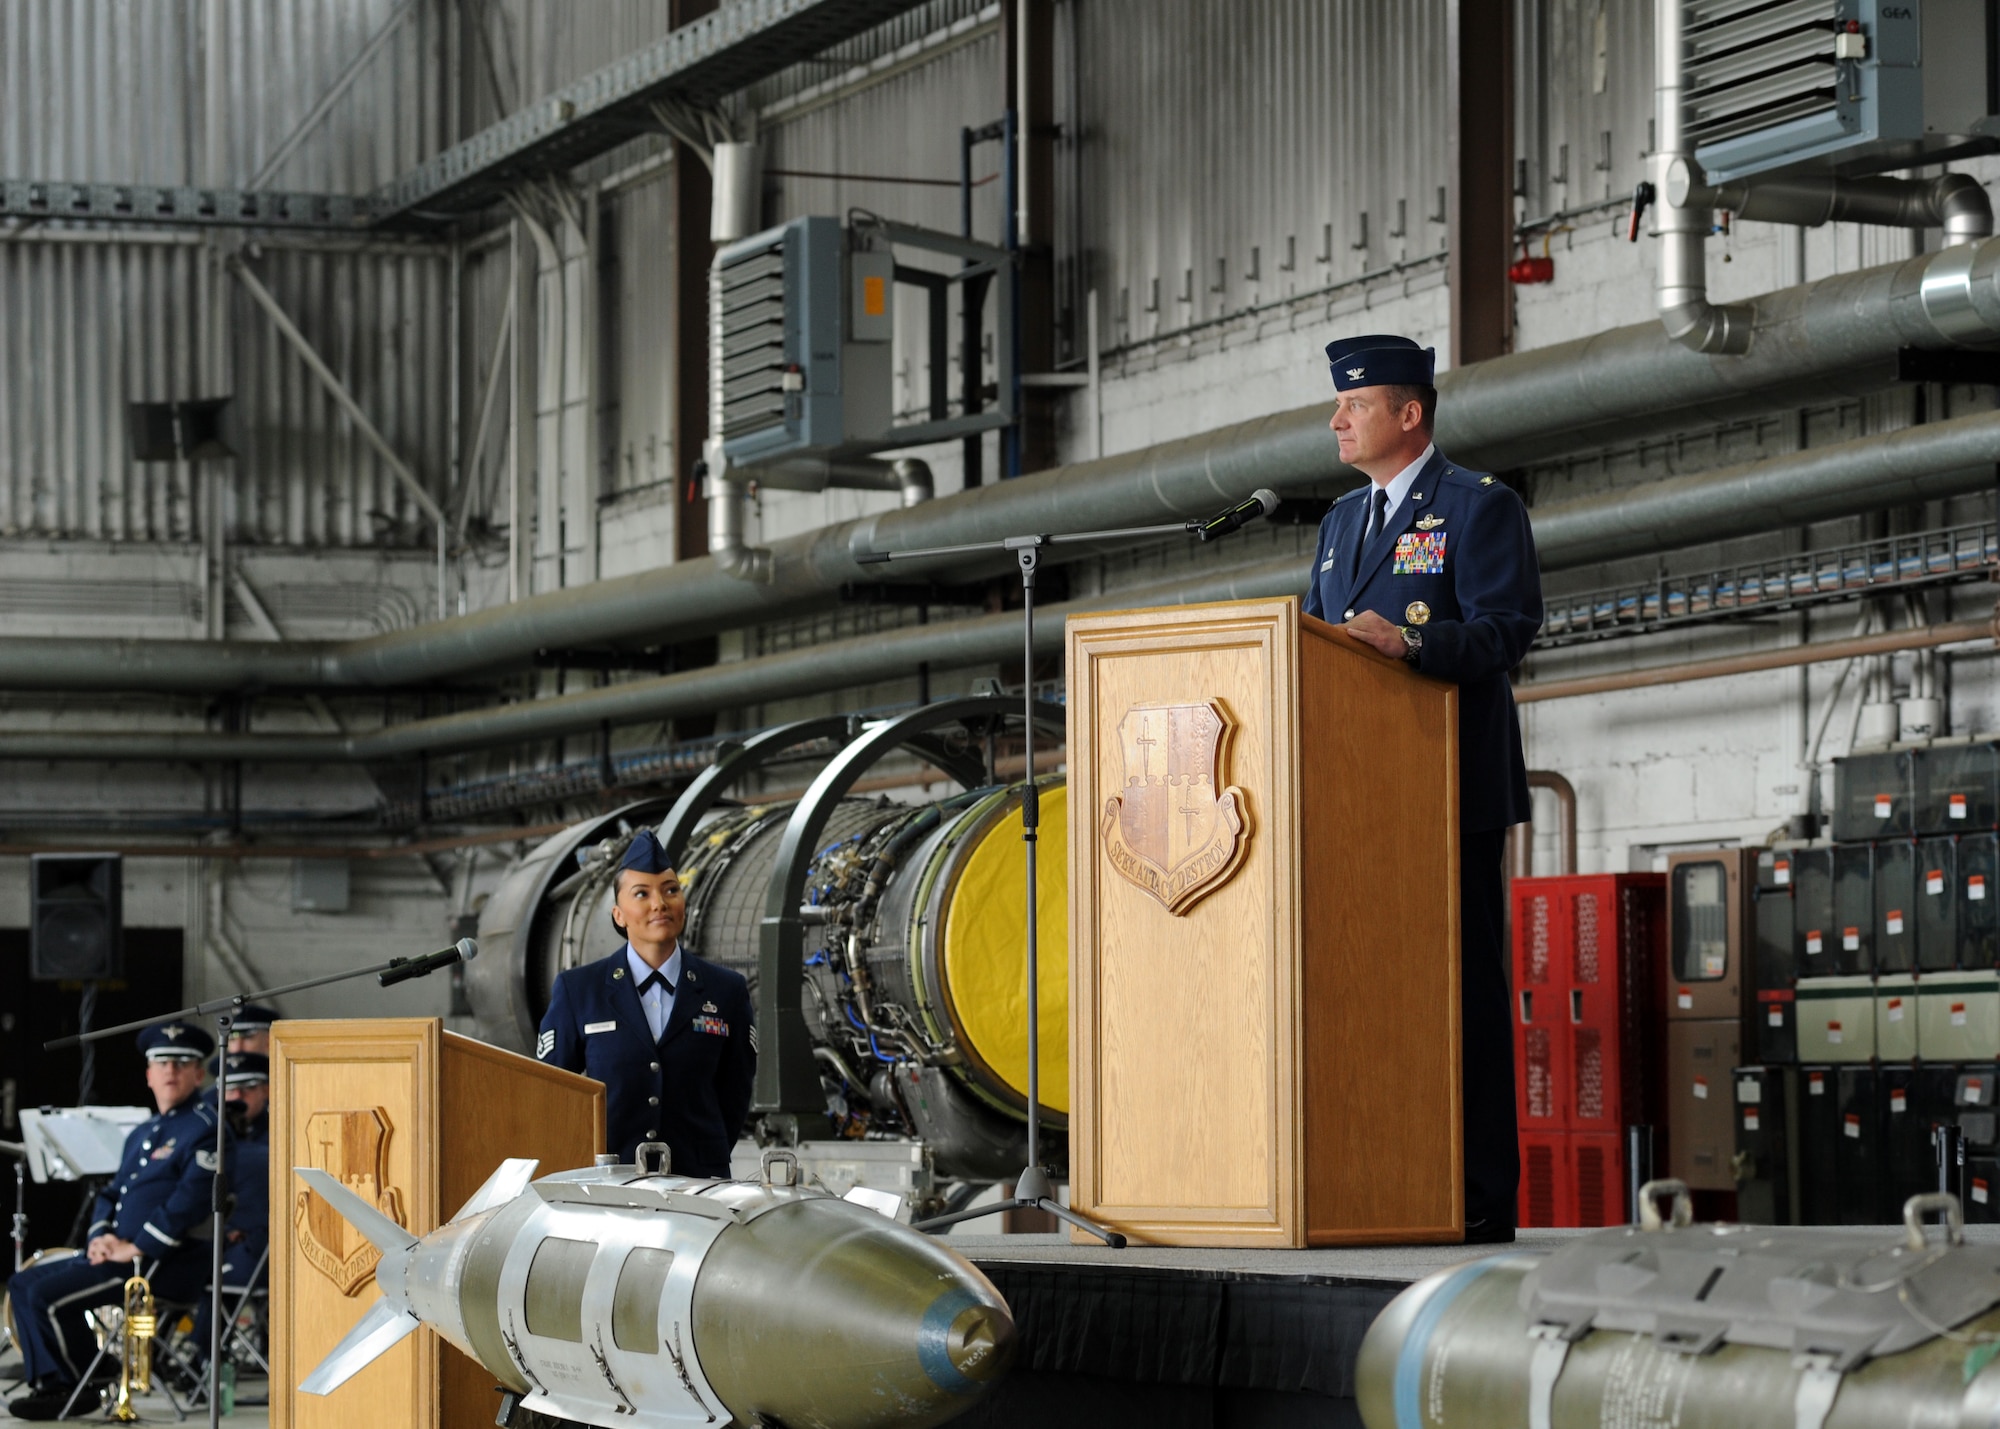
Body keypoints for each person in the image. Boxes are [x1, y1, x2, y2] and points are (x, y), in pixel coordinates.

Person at [1301, 333, 1543, 1244]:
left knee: (1464, 998)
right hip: (1355, 803)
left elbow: (1506, 629)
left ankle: (1477, 1196)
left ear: (1408, 414)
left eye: (1352, 406)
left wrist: (1411, 643)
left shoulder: (1478, 506)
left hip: (1448, 792)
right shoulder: (1337, 525)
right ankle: (1381, 1179)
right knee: (1365, 996)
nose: (1336, 420)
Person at [7, 1023, 225, 1420]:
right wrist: (100, 1236)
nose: (170, 1071)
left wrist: (137, 1246)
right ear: (148, 1074)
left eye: (181, 1063)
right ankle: (76, 1377)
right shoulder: (142, 1133)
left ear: (199, 1074)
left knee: (45, 1298)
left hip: (162, 1263)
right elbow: (110, 1193)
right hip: (118, 1254)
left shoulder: (207, 1128)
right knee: (23, 1283)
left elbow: (190, 1202)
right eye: (161, 1063)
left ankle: (67, 1385)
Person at [537, 829, 756, 1176]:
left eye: (671, 890)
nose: (660, 904)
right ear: (619, 915)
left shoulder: (726, 991)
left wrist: (702, 1158)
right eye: (642, 893)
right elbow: (550, 1092)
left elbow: (735, 1093)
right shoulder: (580, 990)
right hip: (609, 1184)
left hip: (698, 1184)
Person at [190, 1051, 269, 1362]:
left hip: (255, 1246)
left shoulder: (280, 1128)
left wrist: (233, 1229)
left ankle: (202, 1360)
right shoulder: (210, 1129)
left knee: (216, 1275)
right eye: (230, 1090)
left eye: (247, 1088)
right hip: (221, 1241)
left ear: (265, 1089)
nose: (237, 1097)